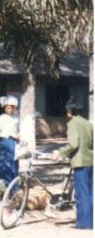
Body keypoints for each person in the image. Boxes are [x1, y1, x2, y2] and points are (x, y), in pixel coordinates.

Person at [52, 97, 93, 229]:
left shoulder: (72, 123)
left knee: (82, 195)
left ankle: (83, 224)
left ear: (69, 111)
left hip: (80, 162)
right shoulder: (88, 123)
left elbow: (74, 144)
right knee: (91, 193)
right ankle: (91, 221)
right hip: (90, 161)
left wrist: (60, 153)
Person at [0, 95, 20, 187]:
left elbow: (18, 130)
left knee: (14, 167)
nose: (10, 110)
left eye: (12, 108)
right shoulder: (0, 118)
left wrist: (18, 135)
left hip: (14, 144)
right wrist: (9, 134)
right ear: (5, 108)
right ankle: (4, 188)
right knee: (5, 167)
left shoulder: (16, 118)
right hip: (5, 144)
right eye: (8, 108)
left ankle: (14, 189)